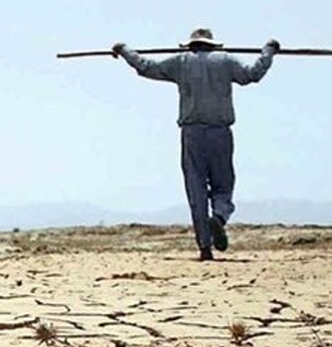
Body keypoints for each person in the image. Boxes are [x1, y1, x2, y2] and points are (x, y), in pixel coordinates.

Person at [113, 27, 280, 261]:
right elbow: (252, 74)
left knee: (196, 190)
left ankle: (204, 246)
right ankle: (219, 217)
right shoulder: (226, 60)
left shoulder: (181, 62)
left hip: (192, 134)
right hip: (220, 132)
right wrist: (268, 51)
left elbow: (146, 66)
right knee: (223, 185)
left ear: (191, 45)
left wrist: (124, 50)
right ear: (212, 44)